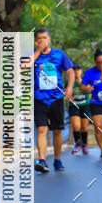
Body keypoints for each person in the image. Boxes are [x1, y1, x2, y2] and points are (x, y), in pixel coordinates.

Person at [32, 27, 74, 173]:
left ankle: (57, 160)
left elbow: (70, 71)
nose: (42, 40)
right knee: (41, 129)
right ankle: (42, 160)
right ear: (36, 41)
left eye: (44, 38)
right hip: (39, 98)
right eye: (39, 39)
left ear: (49, 39)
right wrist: (38, 51)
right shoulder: (32, 55)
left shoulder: (59, 54)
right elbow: (24, 66)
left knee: (57, 131)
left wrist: (69, 88)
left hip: (56, 98)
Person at [80, 48, 102, 159]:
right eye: (98, 62)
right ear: (95, 62)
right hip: (96, 103)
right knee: (98, 126)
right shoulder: (90, 72)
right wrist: (87, 89)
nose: (101, 64)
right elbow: (82, 87)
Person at [68, 65, 91, 154]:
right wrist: (68, 96)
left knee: (84, 127)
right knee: (76, 126)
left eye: (78, 70)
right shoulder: (69, 82)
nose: (77, 72)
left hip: (85, 105)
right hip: (73, 106)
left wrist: (89, 89)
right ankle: (78, 144)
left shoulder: (86, 81)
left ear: (81, 71)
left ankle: (84, 144)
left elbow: (90, 90)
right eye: (75, 70)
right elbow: (65, 92)